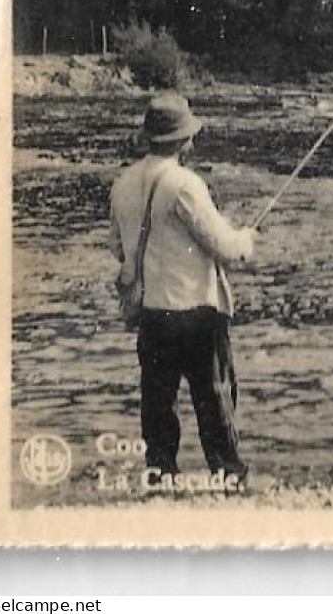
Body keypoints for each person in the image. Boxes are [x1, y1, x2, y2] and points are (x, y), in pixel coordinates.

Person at [109, 92, 257, 490]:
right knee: (214, 400)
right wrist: (246, 240)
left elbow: (118, 249)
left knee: (158, 405)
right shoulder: (185, 185)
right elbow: (225, 247)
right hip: (195, 313)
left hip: (152, 314)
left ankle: (161, 478)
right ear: (182, 140)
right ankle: (229, 478)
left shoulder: (122, 184)